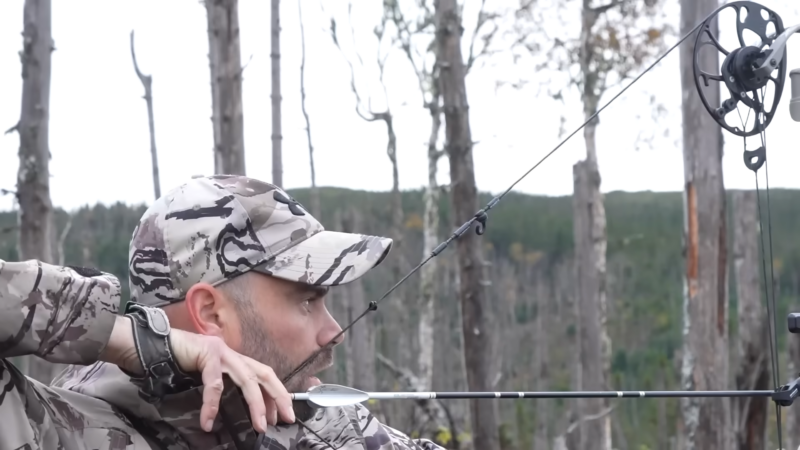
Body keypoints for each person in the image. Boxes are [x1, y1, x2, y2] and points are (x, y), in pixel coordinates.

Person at [0, 175, 444, 450]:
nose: (333, 332)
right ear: (210, 313)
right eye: (307, 301)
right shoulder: (59, 432)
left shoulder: (328, 423)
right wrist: (128, 338)